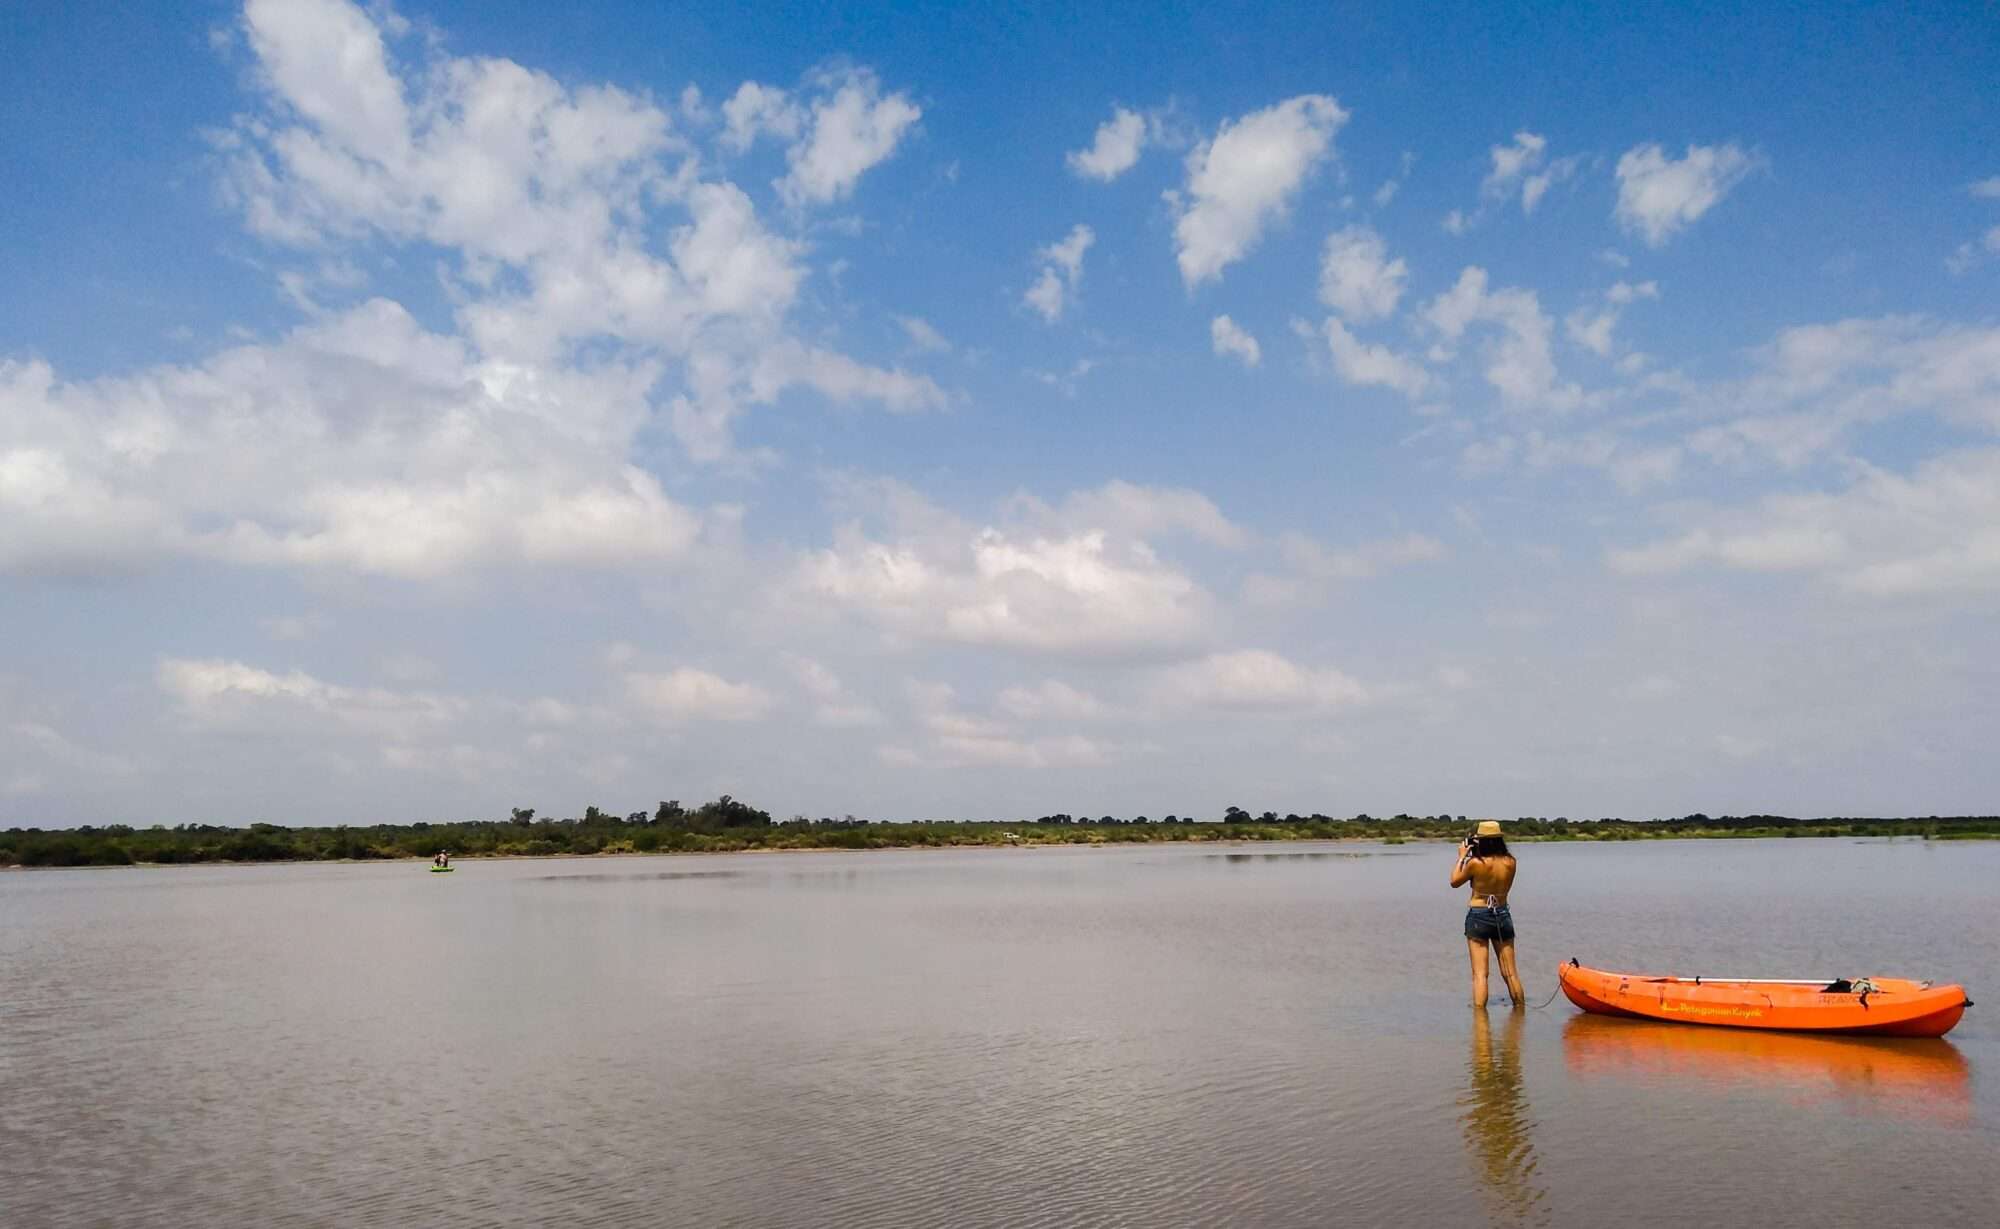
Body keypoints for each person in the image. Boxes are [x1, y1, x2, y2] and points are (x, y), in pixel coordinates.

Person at [1451, 820, 1523, 1008]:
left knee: (1480, 974)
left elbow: (1454, 881)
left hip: (1479, 915)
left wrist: (1461, 857)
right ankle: (1520, 1015)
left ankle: (1481, 1024)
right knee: (1510, 972)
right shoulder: (1510, 862)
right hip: (1502, 913)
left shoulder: (1476, 863)